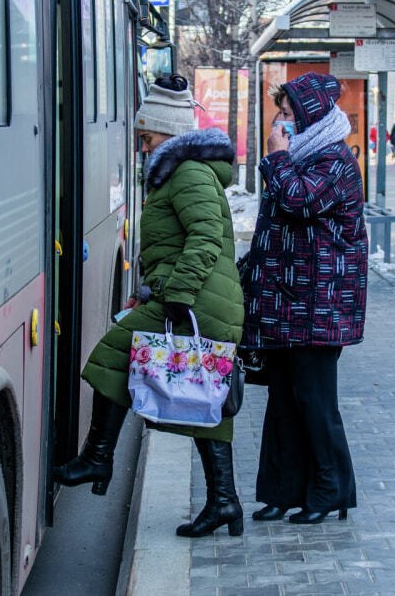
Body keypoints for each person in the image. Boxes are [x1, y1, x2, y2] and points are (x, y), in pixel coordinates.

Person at [57, 75, 246, 538]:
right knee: (206, 396)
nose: (141, 141)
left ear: (168, 132)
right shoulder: (180, 172)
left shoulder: (189, 173)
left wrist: (176, 295)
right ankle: (225, 502)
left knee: (112, 355)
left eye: (147, 133)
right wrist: (152, 287)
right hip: (201, 296)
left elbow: (206, 238)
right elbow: (177, 243)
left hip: (200, 298)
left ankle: (98, 458)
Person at [242, 72, 366, 525]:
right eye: (281, 113)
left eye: (289, 113)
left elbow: (299, 204)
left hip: (320, 302)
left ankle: (331, 490)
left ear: (310, 116)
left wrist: (275, 158)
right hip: (285, 300)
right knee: (282, 399)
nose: (281, 121)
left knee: (314, 400)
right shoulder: (302, 156)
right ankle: (282, 491)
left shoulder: (332, 160)